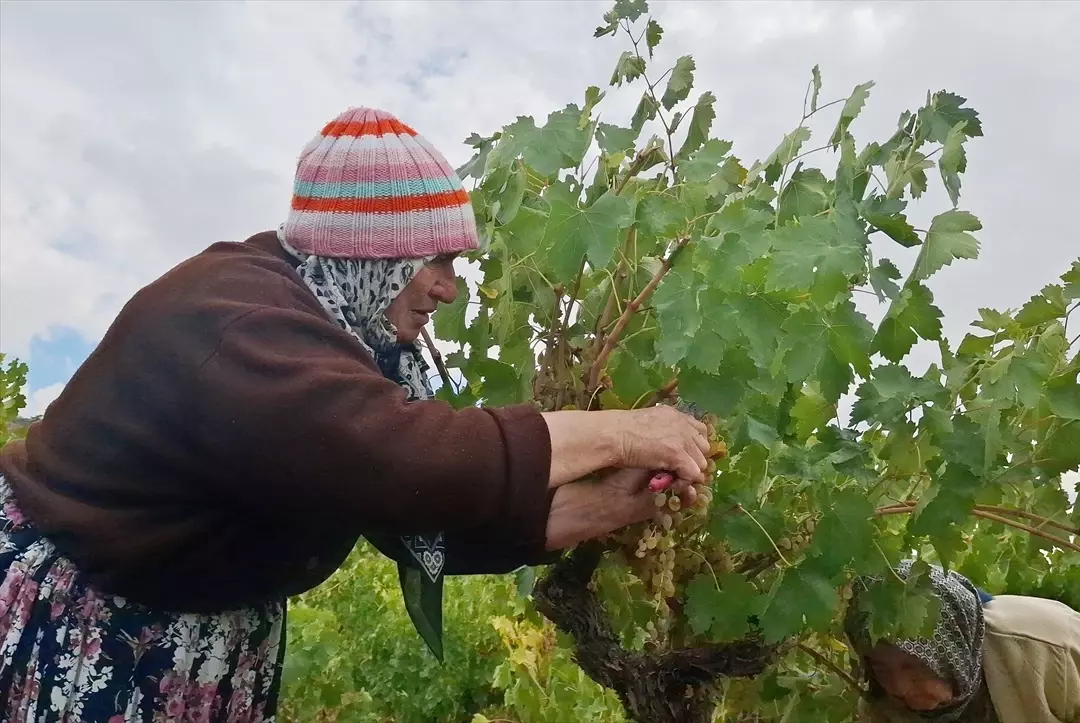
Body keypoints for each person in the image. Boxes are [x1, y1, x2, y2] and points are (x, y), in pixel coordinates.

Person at [0, 107, 711, 722]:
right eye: (436, 258)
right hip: (95, 630)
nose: (449, 288)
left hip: (194, 633)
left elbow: (418, 516)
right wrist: (627, 428)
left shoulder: (360, 341)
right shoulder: (241, 318)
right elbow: (409, 459)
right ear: (371, 248)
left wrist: (610, 505)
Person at [844, 560, 1080, 723]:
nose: (899, 687)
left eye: (915, 666)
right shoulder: (885, 706)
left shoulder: (1046, 643)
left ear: (950, 649)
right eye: (881, 668)